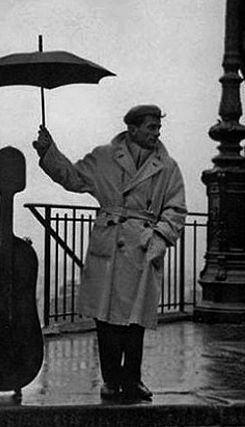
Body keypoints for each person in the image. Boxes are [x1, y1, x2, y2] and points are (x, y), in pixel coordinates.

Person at [33, 105, 186, 403]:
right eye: (151, 127)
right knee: (105, 318)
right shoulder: (104, 157)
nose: (156, 133)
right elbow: (73, 177)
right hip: (109, 244)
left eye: (158, 128)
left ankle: (132, 380)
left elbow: (176, 209)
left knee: (135, 320)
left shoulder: (168, 167)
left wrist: (158, 237)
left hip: (142, 246)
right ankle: (111, 380)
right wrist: (48, 151)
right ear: (132, 129)